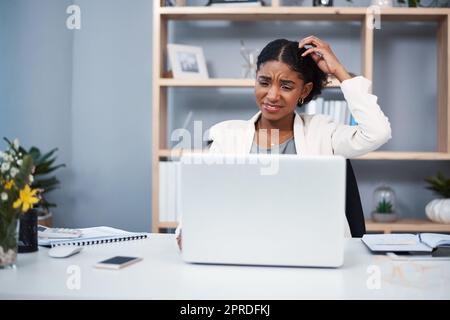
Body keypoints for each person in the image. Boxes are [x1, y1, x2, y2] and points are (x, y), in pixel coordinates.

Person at [175, 36, 392, 250]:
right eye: (264, 82)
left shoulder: (323, 132)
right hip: (245, 247)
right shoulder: (226, 135)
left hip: (310, 249)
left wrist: (339, 72)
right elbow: (202, 197)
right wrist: (188, 229)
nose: (272, 95)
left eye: (286, 86)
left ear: (304, 91)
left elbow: (377, 132)